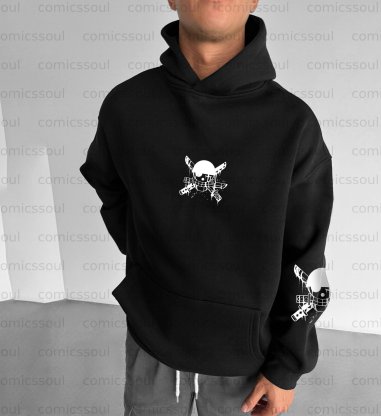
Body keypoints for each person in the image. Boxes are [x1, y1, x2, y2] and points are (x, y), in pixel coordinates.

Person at [79, 1, 334, 415]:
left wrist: (287, 365)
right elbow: (111, 189)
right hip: (151, 341)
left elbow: (306, 257)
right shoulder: (126, 107)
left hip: (249, 359)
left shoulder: (293, 125)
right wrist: (150, 261)